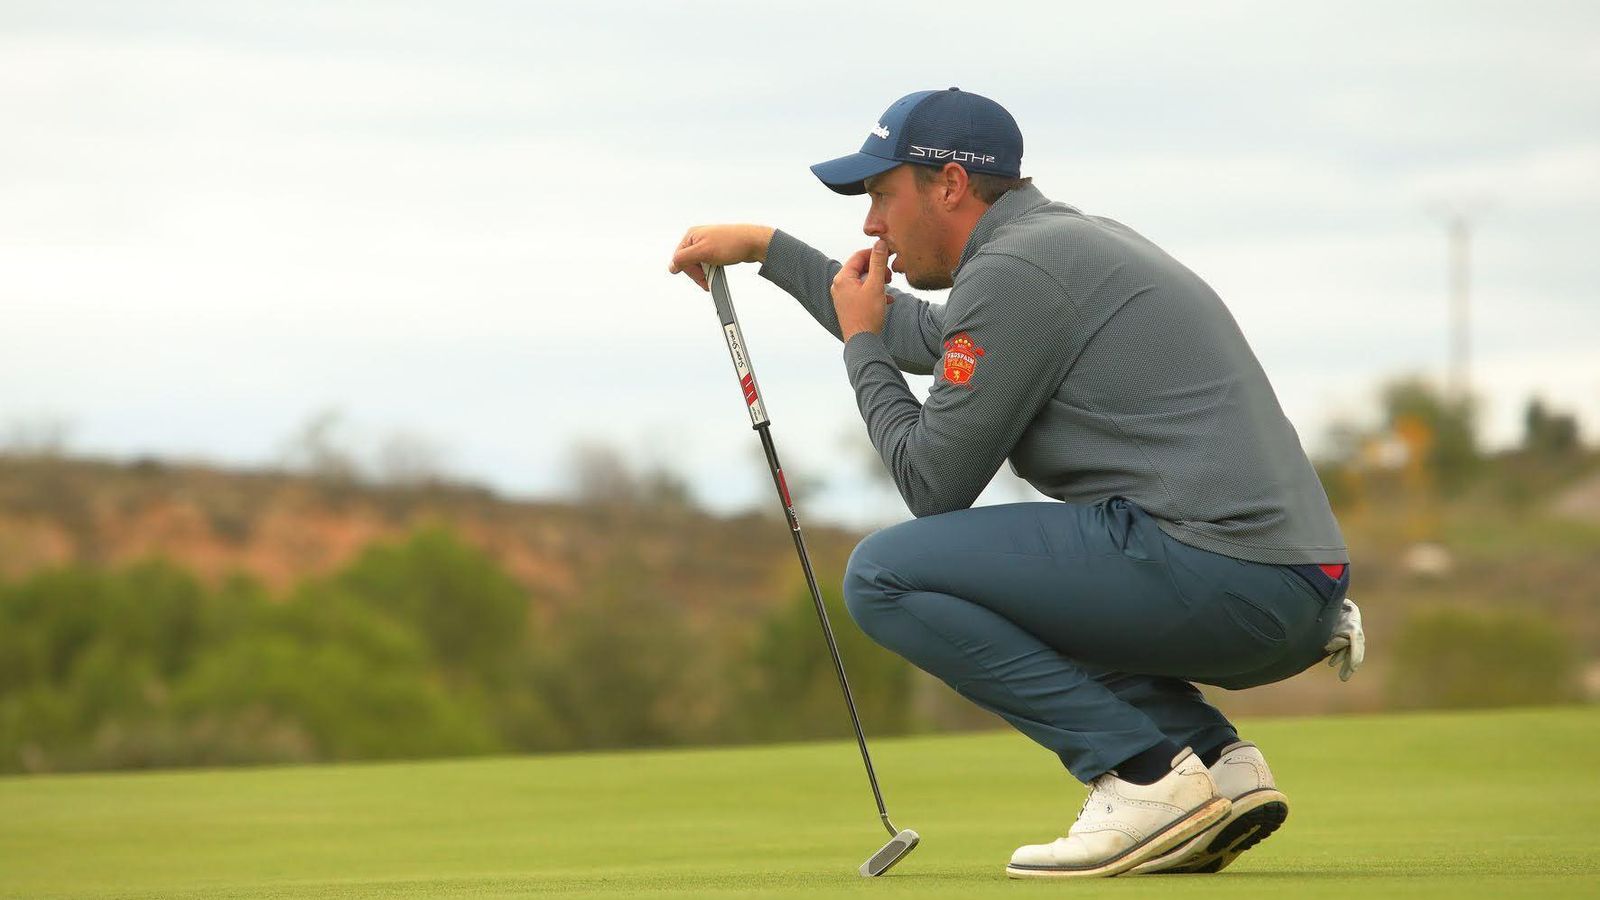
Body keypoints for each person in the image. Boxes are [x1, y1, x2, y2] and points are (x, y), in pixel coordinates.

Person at [668, 87, 1363, 879]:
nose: (871, 224)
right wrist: (766, 248)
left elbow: (932, 483)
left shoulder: (1016, 271)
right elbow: (923, 333)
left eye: (882, 195)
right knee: (1011, 578)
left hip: (1225, 579)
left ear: (951, 185)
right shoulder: (1055, 245)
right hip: (1289, 587)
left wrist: (858, 345)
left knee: (885, 575)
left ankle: (1139, 776)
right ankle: (1213, 763)